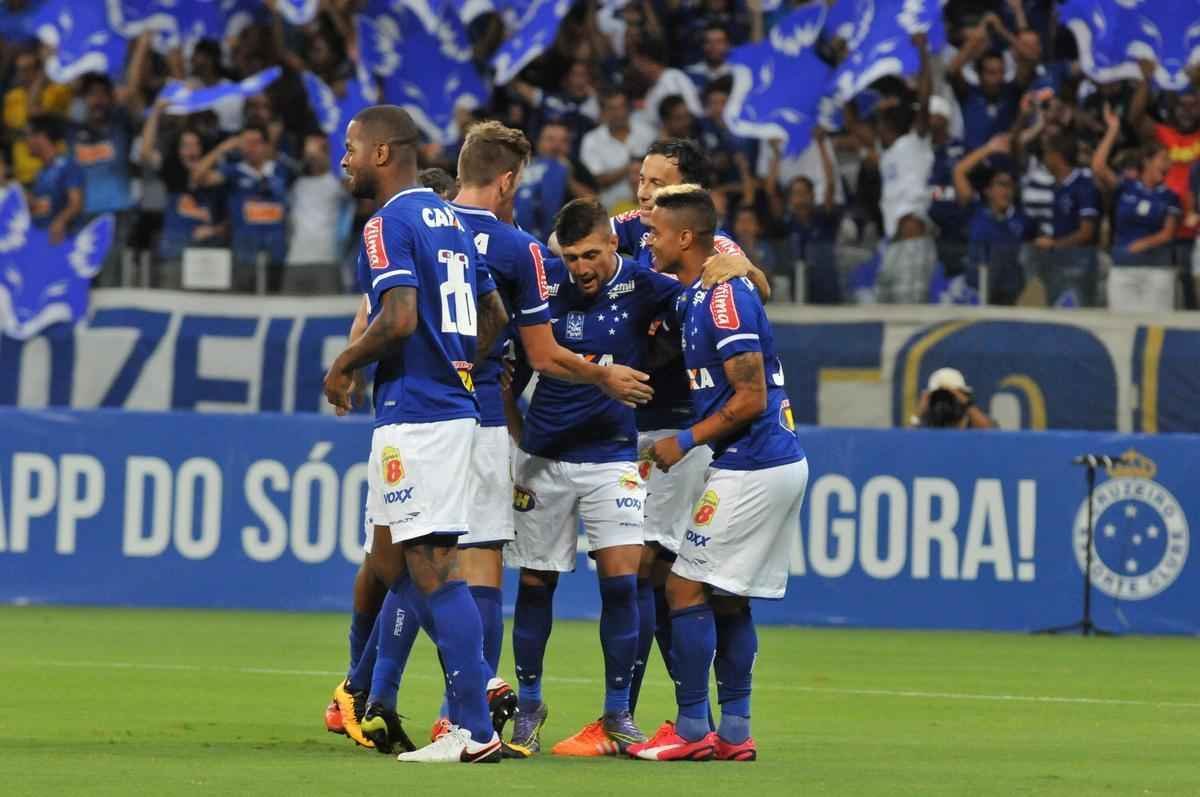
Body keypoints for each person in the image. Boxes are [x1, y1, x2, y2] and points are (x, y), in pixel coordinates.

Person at [322, 104, 501, 764]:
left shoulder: (386, 223)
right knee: (407, 563)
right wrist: (460, 362)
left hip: (419, 416)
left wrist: (343, 363)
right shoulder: (450, 219)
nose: (343, 160)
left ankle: (473, 726)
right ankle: (371, 694)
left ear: (381, 152)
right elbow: (494, 313)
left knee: (429, 566)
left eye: (350, 147)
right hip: (448, 410)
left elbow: (397, 317)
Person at [504, 198, 685, 758]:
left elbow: (704, 293)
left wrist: (739, 266)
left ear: (612, 245)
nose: (580, 268)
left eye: (590, 255)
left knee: (623, 583)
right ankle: (530, 702)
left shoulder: (646, 285)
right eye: (571, 257)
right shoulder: (544, 282)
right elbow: (512, 367)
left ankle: (617, 711)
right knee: (536, 584)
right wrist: (514, 436)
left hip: (612, 459)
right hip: (545, 459)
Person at [633, 183, 807, 762]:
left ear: (686, 236)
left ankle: (690, 730)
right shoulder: (696, 294)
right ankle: (734, 732)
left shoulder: (723, 300)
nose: (647, 241)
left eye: (655, 232)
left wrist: (682, 441)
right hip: (763, 461)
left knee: (683, 586)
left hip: (755, 461)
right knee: (728, 599)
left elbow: (751, 395)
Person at [1092, 106, 1180, 312]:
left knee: (1158, 327)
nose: (1168, 165)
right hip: (1124, 269)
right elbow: (1098, 166)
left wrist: (1144, 243)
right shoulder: (1126, 187)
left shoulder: (1169, 196)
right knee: (1122, 327)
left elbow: (1168, 233)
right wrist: (1113, 130)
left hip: (1157, 272)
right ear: (1147, 161)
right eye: (1163, 159)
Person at [191, 124, 294, 293]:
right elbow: (198, 177)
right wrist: (222, 148)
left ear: (266, 145)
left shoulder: (281, 170)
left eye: (255, 143)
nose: (250, 148)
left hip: (277, 257)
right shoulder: (234, 172)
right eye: (246, 143)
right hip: (243, 257)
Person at [135, 100, 226, 287]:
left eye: (195, 145)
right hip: (174, 254)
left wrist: (214, 230)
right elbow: (145, 153)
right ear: (178, 151)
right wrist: (156, 112)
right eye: (185, 146)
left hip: (209, 258)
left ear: (202, 149)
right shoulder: (171, 170)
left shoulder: (217, 178)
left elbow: (229, 219)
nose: (190, 151)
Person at [953, 134, 1037, 305]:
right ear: (988, 190)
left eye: (1010, 186)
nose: (1006, 191)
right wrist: (989, 149)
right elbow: (959, 171)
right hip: (975, 296)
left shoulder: (1022, 221)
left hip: (1010, 299)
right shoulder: (974, 211)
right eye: (1001, 185)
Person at [1028, 133, 1100, 305]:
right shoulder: (1057, 186)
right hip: (1058, 267)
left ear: (1056, 156)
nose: (1044, 159)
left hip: (1078, 266)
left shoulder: (1084, 186)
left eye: (1046, 153)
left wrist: (1054, 245)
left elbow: (1086, 232)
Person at [284, 134, 350, 294]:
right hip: (295, 260)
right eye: (310, 152)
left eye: (318, 151)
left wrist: (331, 156)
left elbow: (357, 192)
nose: (313, 157)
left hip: (326, 260)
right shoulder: (297, 184)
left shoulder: (336, 181)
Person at [580, 90, 656, 213]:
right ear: (603, 112)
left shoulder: (647, 132)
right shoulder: (592, 140)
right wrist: (630, 166)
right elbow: (597, 180)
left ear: (628, 108)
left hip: (649, 208)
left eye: (622, 107)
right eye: (612, 108)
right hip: (609, 211)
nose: (618, 113)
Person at [24, 113, 83, 244]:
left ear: (41, 137)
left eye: (28, 135)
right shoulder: (41, 173)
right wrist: (30, 202)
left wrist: (60, 221)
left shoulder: (67, 165)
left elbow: (76, 203)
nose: (25, 141)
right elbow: (46, 206)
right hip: (44, 241)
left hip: (63, 242)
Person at [629, 36, 703, 130]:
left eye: (636, 60)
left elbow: (691, 116)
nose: (634, 66)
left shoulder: (672, 78)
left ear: (645, 60)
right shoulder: (652, 90)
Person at [911, 368, 997, 429]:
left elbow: (991, 434)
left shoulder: (972, 423)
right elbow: (907, 443)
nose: (944, 401)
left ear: (964, 396)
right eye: (939, 397)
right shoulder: (926, 424)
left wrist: (967, 405)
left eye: (951, 396)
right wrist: (920, 413)